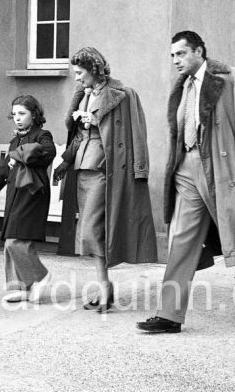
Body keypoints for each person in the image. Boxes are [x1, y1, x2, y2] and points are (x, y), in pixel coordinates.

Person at [137, 30, 235, 334]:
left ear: (199, 52)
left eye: (181, 53)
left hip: (222, 170)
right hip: (187, 170)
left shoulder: (232, 78)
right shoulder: (183, 87)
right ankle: (169, 315)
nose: (176, 60)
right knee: (180, 241)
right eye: (173, 56)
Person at [54, 46, 157, 313]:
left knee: (92, 230)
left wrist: (140, 168)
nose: (76, 78)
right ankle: (104, 289)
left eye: (79, 73)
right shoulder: (84, 94)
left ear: (94, 69)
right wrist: (65, 161)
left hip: (104, 169)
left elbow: (136, 132)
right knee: (91, 233)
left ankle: (105, 289)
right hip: (82, 168)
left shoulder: (122, 95)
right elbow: (78, 136)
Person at [0, 95, 56, 303]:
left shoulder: (42, 135)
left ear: (34, 115)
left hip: (32, 193)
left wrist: (20, 154)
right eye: (15, 114)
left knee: (15, 240)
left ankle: (41, 276)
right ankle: (21, 287)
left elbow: (48, 153)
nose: (17, 118)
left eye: (22, 114)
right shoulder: (16, 140)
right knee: (16, 238)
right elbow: (4, 170)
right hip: (15, 195)